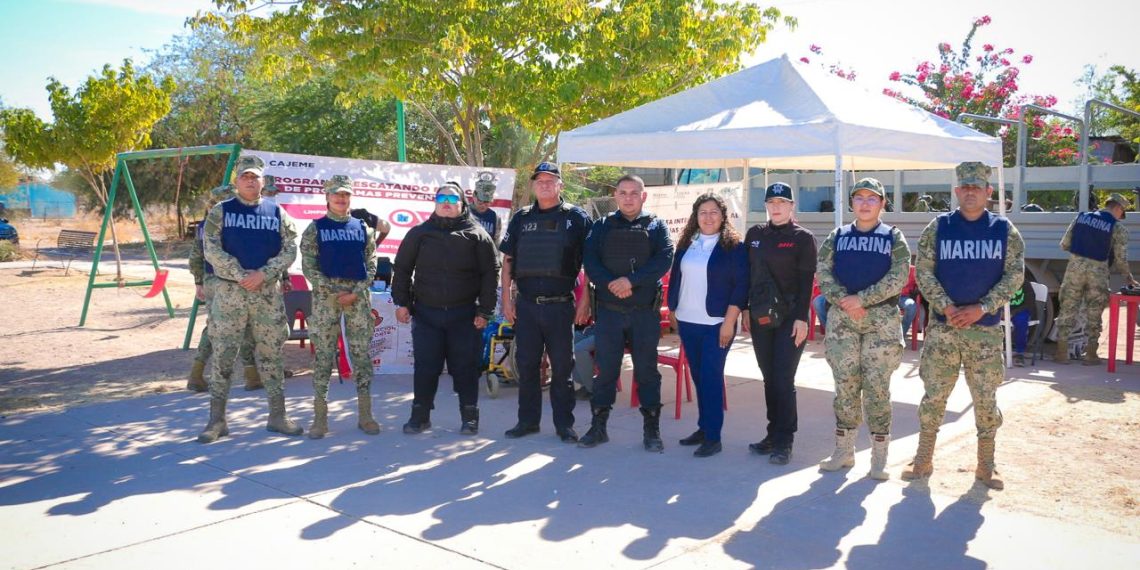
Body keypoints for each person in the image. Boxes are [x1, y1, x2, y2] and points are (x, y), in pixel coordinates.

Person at [902, 161, 1025, 490]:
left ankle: (986, 465)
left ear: (989, 192)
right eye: (964, 188)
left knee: (985, 400)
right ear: (957, 192)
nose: (970, 193)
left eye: (977, 188)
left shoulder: (1003, 231)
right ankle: (923, 458)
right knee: (934, 396)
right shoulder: (939, 227)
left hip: (984, 331)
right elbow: (923, 271)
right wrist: (946, 305)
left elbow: (1014, 276)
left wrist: (982, 307)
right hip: (944, 329)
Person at [197, 154, 302, 443]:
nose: (250, 181)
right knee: (224, 355)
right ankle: (217, 421)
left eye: (254, 176)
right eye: (245, 176)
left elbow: (290, 249)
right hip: (230, 294)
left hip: (266, 295)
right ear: (237, 180)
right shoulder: (221, 211)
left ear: (262, 180)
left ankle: (278, 416)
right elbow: (210, 249)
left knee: (272, 354)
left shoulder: (276, 213)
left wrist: (265, 274)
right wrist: (240, 273)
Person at [815, 178, 911, 480]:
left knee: (876, 389)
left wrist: (863, 299)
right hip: (843, 320)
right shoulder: (838, 236)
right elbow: (823, 271)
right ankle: (843, 451)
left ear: (882, 203)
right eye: (859, 198)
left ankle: (879, 456)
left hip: (880, 322)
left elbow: (899, 276)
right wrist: (845, 300)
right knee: (844, 387)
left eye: (872, 198)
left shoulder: (893, 237)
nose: (865, 204)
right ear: (852, 203)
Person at [393, 181, 499, 435]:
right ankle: (420, 416)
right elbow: (403, 269)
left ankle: (469, 416)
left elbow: (489, 274)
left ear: (462, 204)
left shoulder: (477, 235)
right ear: (435, 203)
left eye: (452, 200)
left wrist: (485, 311)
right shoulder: (419, 233)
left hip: (464, 315)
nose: (447, 204)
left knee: (465, 367)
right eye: (442, 200)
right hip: (427, 314)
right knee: (426, 366)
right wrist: (402, 302)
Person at [499, 162, 592, 443]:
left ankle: (565, 425)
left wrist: (584, 301)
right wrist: (506, 298)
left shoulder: (576, 218)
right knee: (526, 365)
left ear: (560, 185)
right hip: (526, 305)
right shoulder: (520, 218)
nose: (545, 184)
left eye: (551, 180)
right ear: (533, 185)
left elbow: (590, 263)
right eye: (540, 180)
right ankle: (527, 422)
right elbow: (508, 260)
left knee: (562, 367)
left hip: (560, 305)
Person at [580, 174, 674, 451]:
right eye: (623, 193)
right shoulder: (601, 226)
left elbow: (663, 260)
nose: (629, 197)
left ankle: (652, 431)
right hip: (609, 312)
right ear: (616, 196)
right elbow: (590, 260)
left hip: (644, 313)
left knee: (646, 372)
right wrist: (611, 283)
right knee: (606, 371)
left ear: (643, 196)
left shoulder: (657, 227)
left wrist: (630, 281)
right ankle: (598, 428)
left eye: (634, 192)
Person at [667, 193, 748, 458]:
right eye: (703, 212)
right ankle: (703, 428)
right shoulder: (687, 244)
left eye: (714, 212)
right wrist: (673, 308)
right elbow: (677, 277)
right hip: (688, 322)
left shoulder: (734, 247)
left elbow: (740, 287)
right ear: (695, 216)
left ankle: (713, 437)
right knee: (699, 377)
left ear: (723, 216)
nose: (708, 217)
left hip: (716, 324)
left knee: (711, 378)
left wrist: (730, 321)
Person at [299, 175, 380, 439]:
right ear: (327, 197)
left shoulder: (362, 227)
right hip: (326, 299)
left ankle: (366, 415)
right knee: (323, 356)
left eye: (345, 195)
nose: (341, 199)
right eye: (336, 194)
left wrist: (355, 292)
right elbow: (309, 266)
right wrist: (332, 292)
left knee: (361, 355)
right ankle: (320, 419)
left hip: (357, 298)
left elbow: (372, 263)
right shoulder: (315, 228)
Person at [744, 182, 817, 465]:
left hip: (790, 319)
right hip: (761, 317)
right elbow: (746, 274)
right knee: (768, 377)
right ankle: (772, 433)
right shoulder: (754, 234)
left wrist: (802, 319)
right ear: (765, 206)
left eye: (782, 202)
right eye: (771, 202)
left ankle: (785, 441)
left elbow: (806, 282)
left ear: (791, 206)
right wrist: (743, 310)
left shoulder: (802, 238)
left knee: (783, 378)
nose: (776, 207)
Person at [187, 183, 259, 393]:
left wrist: (199, 282)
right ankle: (250, 374)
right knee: (239, 324)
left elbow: (195, 257)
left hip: (212, 279)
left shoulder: (204, 225)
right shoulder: (237, 222)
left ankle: (198, 374)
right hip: (229, 281)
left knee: (216, 326)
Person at [1053, 193, 1137, 365]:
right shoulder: (1118, 228)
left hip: (1074, 269)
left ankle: (1062, 354)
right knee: (1094, 311)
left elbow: (1064, 244)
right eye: (1122, 213)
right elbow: (1120, 259)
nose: (1121, 217)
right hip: (1098, 273)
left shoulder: (1081, 217)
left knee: (1068, 308)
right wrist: (1128, 278)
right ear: (1118, 208)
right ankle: (1090, 356)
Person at [813, 266, 917, 336]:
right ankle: (831, 333)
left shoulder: (911, 269)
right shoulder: (880, 266)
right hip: (843, 293)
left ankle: (900, 334)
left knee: (911, 306)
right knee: (817, 302)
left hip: (901, 297)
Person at [1009, 271, 1037, 367]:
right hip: (1002, 310)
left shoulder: (1025, 283)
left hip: (1020, 310)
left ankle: (1019, 353)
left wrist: (1012, 313)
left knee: (1021, 320)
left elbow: (1029, 303)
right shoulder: (998, 282)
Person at [471, 171, 502, 244]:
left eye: (487, 202)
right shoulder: (463, 213)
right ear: (474, 196)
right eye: (480, 201)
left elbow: (496, 243)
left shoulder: (495, 218)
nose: (483, 205)